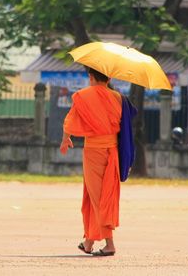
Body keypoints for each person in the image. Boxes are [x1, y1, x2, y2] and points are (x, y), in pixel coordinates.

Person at [60, 68, 122, 257]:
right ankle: (88, 242)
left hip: (94, 151)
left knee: (97, 197)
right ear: (109, 78)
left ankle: (109, 243)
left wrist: (66, 139)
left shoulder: (82, 96)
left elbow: (70, 120)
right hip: (112, 151)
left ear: (91, 77)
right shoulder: (118, 97)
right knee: (100, 194)